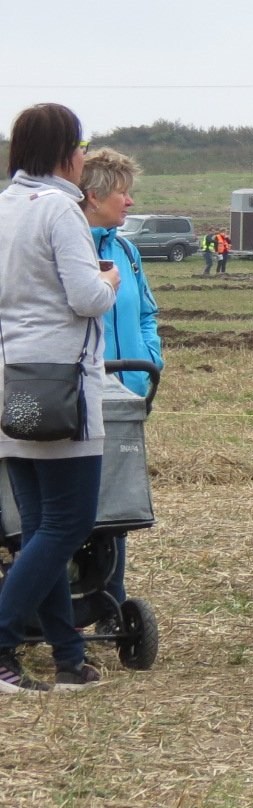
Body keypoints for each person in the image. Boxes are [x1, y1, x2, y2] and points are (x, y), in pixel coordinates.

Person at [0, 104, 118, 692]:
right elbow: (86, 298)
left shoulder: (3, 207)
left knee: (38, 526)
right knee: (69, 523)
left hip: (11, 380)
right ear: (64, 154)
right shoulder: (61, 210)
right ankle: (1, 641)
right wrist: (110, 282)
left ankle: (69, 656)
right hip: (62, 384)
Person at [80, 148, 164, 611]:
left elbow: (147, 312)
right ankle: (64, 605)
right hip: (78, 397)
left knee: (115, 500)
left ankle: (110, 598)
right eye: (122, 193)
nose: (130, 203)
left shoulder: (127, 250)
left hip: (126, 395)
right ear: (93, 196)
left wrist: (147, 361)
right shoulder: (68, 246)